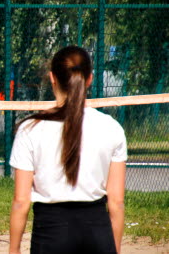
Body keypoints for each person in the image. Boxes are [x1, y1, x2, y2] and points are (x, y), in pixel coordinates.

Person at [8, 46, 127, 254]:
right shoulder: (111, 128)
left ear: (52, 78)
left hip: (51, 235)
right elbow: (116, 201)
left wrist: (14, 249)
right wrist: (114, 248)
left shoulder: (30, 128)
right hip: (97, 235)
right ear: (89, 79)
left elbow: (21, 201)